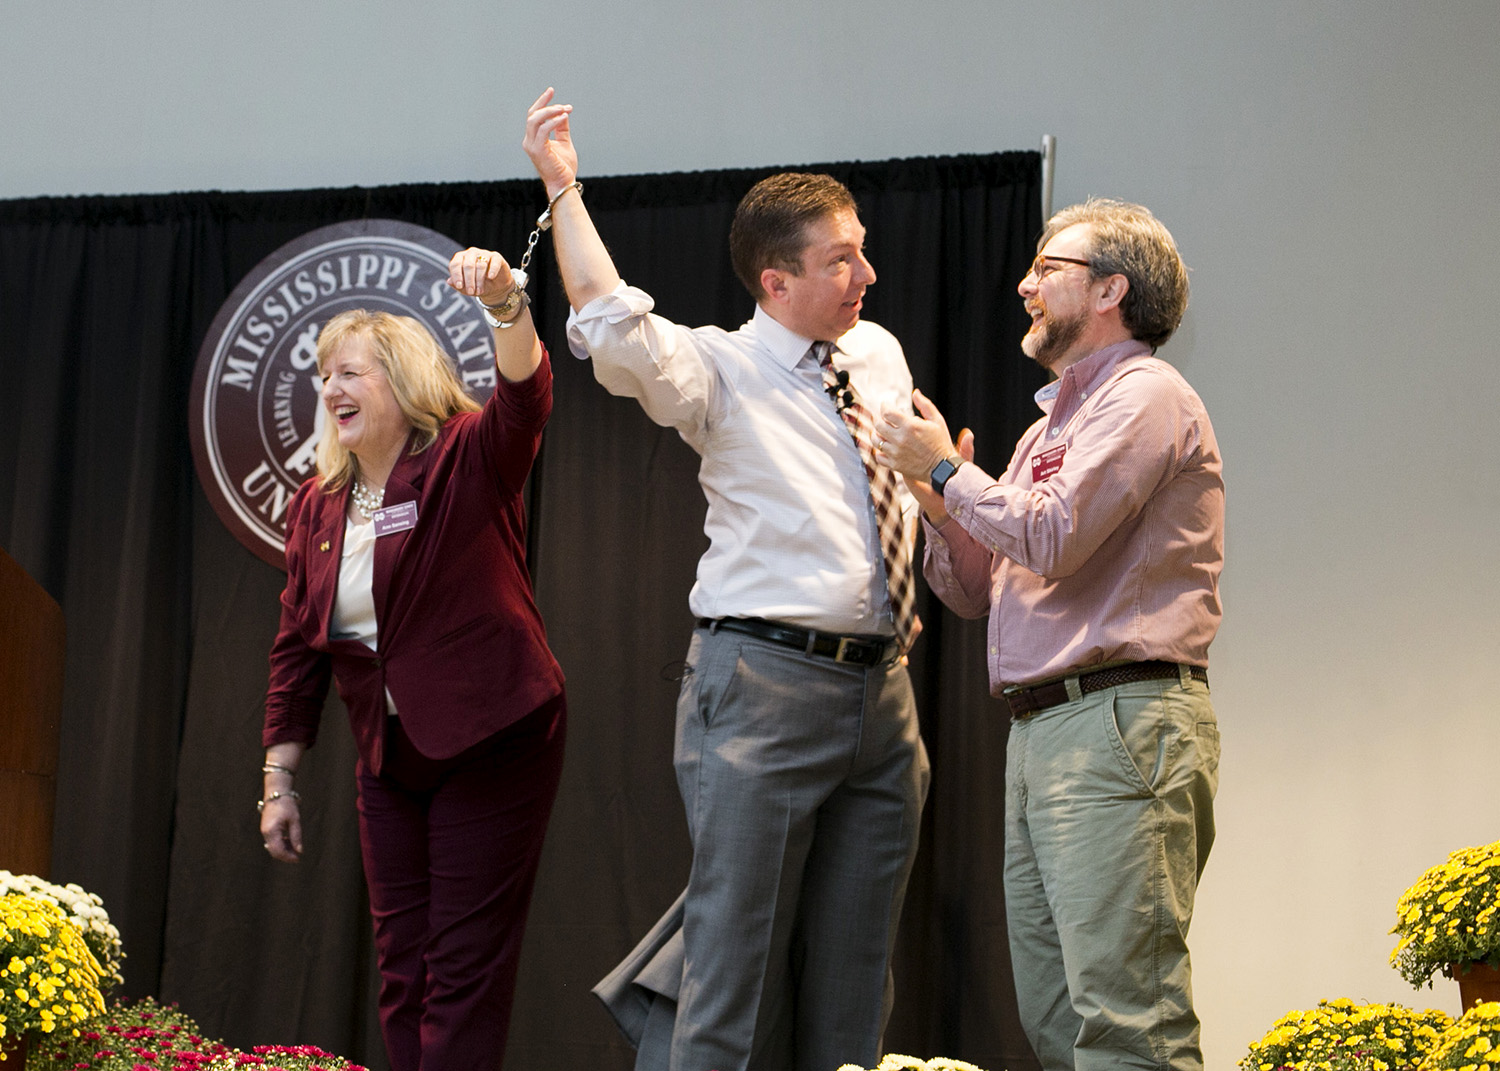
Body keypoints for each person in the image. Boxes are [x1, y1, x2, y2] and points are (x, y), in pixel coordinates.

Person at [520, 88, 929, 1071]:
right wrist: (564, 188)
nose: (867, 273)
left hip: (887, 693)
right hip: (764, 686)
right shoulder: (720, 371)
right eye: (842, 260)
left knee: (855, 984)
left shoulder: (873, 353)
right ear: (775, 282)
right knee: (729, 983)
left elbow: (908, 481)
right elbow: (610, 325)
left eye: (862, 248)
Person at [876, 199, 1223, 1071]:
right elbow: (977, 589)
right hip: (1046, 731)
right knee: (1060, 1022)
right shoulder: (1045, 430)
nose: (1025, 285)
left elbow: (1054, 537)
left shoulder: (1146, 395)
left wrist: (950, 471)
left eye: (1047, 268)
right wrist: (934, 495)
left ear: (1111, 288)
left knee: (1126, 1021)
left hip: (1117, 721)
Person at [257, 247, 566, 1071]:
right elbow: (298, 649)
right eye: (324, 375)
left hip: (494, 736)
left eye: (350, 371)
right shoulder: (316, 504)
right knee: (402, 970)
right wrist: (278, 781)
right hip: (389, 757)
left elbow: (525, 399)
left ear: (403, 378)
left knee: (463, 969)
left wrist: (506, 304)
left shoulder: (466, 456)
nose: (330, 389)